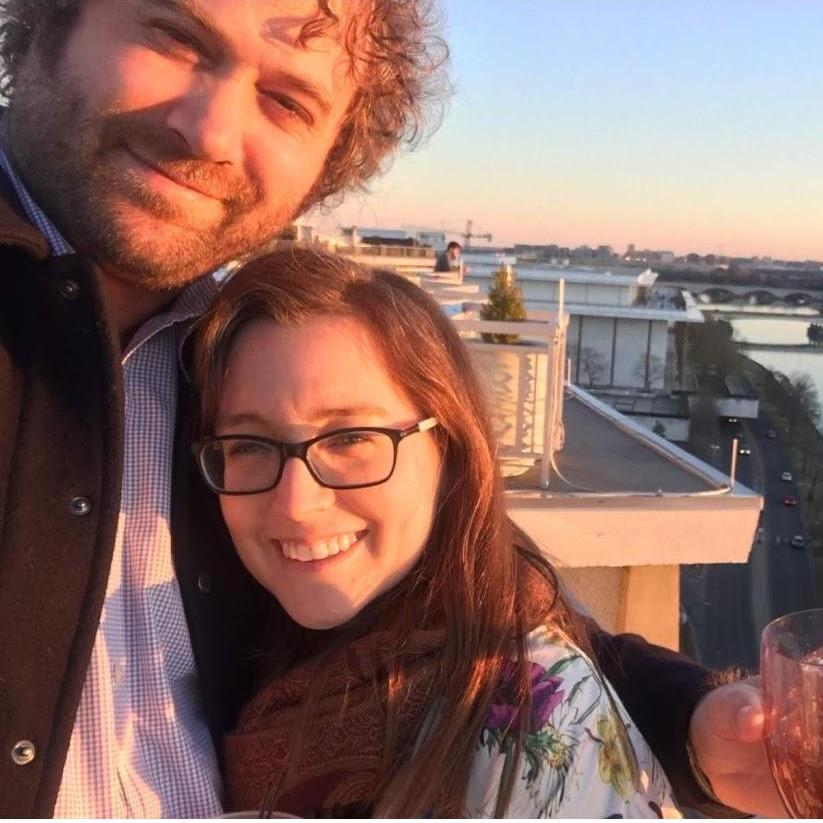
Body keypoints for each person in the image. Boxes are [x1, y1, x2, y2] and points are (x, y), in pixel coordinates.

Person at [0, 0, 781, 818]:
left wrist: (695, 723)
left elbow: (480, 594)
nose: (211, 130)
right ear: (50, 17)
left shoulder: (236, 366)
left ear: (328, 159)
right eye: (173, 38)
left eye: (287, 101)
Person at [189, 247, 678, 817]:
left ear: (449, 448)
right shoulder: (249, 638)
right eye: (248, 444)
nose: (296, 503)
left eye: (350, 438)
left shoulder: (540, 724)